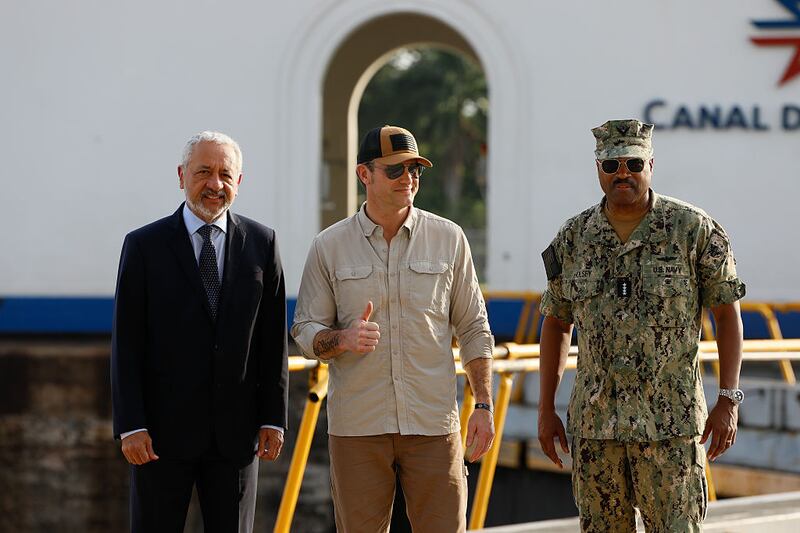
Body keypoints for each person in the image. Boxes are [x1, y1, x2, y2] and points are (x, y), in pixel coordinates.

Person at [537, 119, 746, 532]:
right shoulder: (574, 237)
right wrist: (545, 408)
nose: (622, 174)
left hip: (670, 428)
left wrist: (729, 399)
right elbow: (557, 322)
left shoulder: (692, 229)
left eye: (633, 162)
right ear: (598, 169)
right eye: (611, 164)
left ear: (651, 163)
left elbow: (727, 313)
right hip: (597, 430)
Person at [292, 125, 495, 532]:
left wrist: (484, 405)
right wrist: (344, 339)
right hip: (358, 428)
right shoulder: (328, 246)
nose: (409, 180)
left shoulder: (449, 239)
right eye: (396, 171)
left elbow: (474, 326)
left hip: (434, 424)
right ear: (363, 174)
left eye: (416, 171)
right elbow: (304, 330)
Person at [111, 131, 288, 533]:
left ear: (239, 183)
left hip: (237, 437)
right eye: (203, 172)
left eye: (226, 174)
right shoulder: (143, 246)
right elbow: (126, 343)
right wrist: (131, 424)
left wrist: (273, 418)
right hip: (158, 436)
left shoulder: (263, 243)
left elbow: (271, 339)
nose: (215, 184)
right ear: (181, 175)